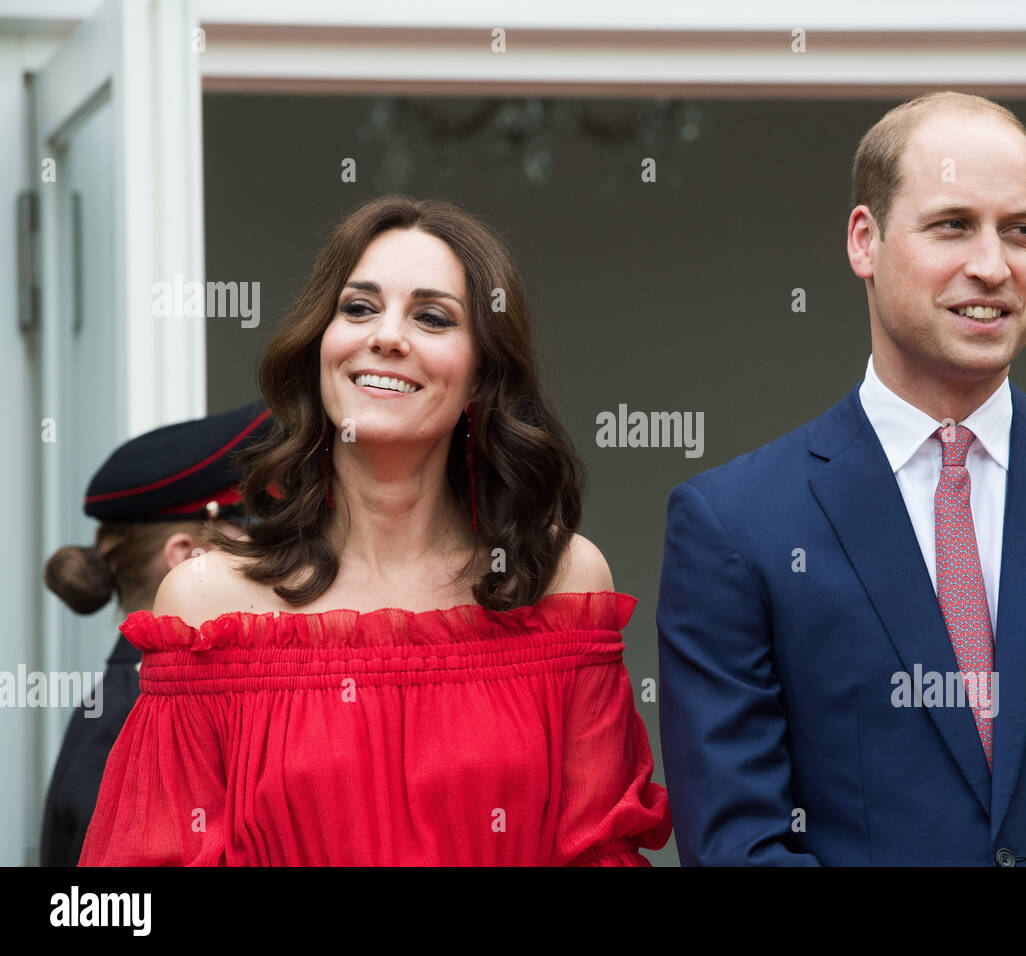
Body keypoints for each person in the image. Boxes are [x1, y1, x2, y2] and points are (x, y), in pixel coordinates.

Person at [656, 91, 1026, 865]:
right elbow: (739, 848)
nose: (992, 266)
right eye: (953, 225)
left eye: (1021, 231)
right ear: (864, 241)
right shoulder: (734, 526)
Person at [79, 195, 670, 866]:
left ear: (482, 374)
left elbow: (601, 854)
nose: (387, 336)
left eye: (432, 316)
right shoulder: (207, 603)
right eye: (358, 308)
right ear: (319, 349)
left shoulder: (563, 583)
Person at [40, 399, 271, 866]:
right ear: (188, 556)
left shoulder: (141, 697)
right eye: (248, 529)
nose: (269, 555)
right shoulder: (134, 717)